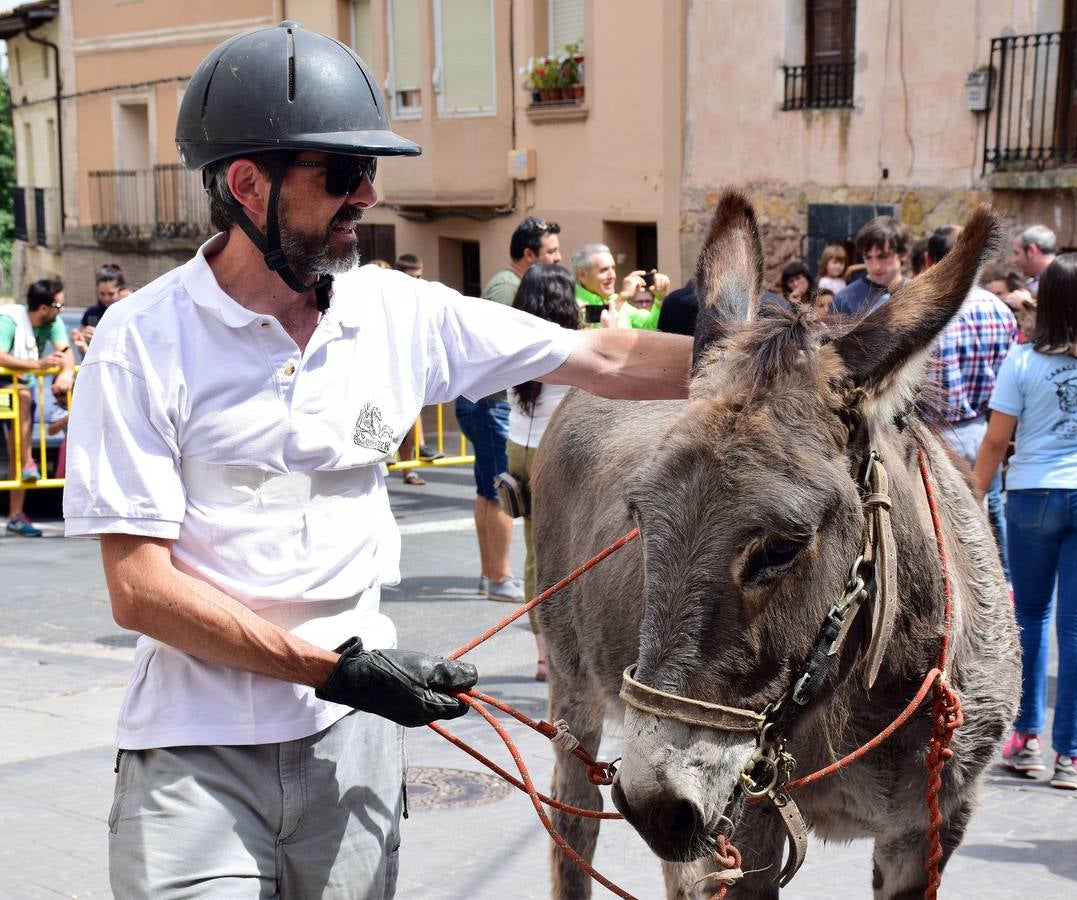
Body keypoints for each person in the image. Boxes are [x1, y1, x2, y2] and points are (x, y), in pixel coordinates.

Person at [62, 22, 693, 899]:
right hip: (194, 752)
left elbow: (606, 359)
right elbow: (139, 589)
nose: (366, 194)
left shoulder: (396, 312)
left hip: (350, 748)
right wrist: (334, 671)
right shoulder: (140, 342)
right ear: (247, 182)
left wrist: (806, 355)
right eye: (340, 174)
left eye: (370, 172)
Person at [973, 252, 1077, 791]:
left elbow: (996, 440)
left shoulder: (1022, 362)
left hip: (1034, 491)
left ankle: (1027, 739)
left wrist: (974, 491)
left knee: (1032, 617)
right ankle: (1073, 754)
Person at [457, 217, 563, 599]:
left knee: (488, 490)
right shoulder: (508, 290)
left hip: (484, 404)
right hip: (491, 405)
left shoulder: (506, 283)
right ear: (529, 254)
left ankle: (491, 574)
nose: (557, 257)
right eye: (551, 251)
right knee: (502, 489)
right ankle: (500, 577)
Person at [926, 225, 1016, 577]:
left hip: (939, 432)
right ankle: (998, 578)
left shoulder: (933, 312)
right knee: (989, 511)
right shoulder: (1000, 311)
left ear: (932, 261)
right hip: (984, 425)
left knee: (943, 518)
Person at [505, 264, 580, 680]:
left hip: (519, 445)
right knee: (575, 549)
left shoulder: (513, 338)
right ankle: (561, 649)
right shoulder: (565, 342)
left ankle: (542, 655)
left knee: (537, 553)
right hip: (560, 451)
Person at [0, 279, 74, 536]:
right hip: (7, 386)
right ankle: (30, 461)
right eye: (58, 305)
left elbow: (65, 351)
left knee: (15, 449)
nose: (61, 309)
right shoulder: (9, 320)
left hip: (22, 388)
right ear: (44, 307)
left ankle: (15, 515)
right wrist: (38, 366)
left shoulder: (53, 322)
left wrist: (65, 372)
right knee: (21, 395)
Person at [393, 252, 443, 483]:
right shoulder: (389, 299)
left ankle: (409, 469)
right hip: (388, 368)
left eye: (419, 276)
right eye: (411, 277)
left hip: (410, 367)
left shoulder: (422, 298)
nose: (417, 282)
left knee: (410, 413)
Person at [571, 243, 670, 329]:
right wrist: (623, 296)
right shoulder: (570, 302)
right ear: (582, 275)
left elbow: (649, 325)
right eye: (604, 270)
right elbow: (596, 322)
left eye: (613, 268)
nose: (612, 276)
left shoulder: (614, 299)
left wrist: (659, 299)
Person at [830, 216, 910, 318]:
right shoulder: (843, 300)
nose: (876, 266)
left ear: (903, 254)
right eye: (868, 257)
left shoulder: (920, 294)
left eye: (883, 256)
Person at [76, 263, 125, 351]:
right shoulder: (91, 313)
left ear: (121, 290)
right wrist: (82, 337)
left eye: (111, 294)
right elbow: (81, 347)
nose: (106, 298)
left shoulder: (126, 313)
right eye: (102, 294)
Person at [1011, 224, 1057, 295]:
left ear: (1031, 251)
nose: (1014, 260)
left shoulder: (1061, 280)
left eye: (1017, 253)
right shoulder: (1033, 281)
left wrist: (1025, 304)